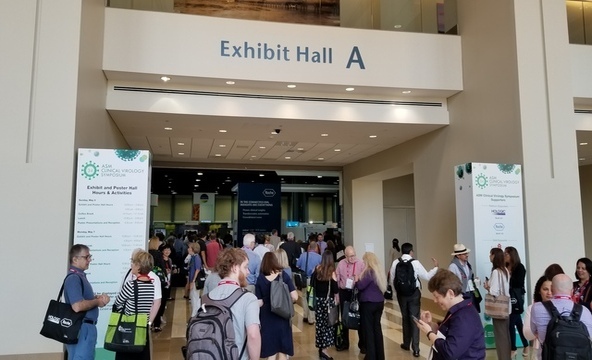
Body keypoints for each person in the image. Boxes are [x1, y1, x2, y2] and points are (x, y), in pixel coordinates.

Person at [416, 269, 486, 360]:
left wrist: (429, 333)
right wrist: (430, 325)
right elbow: (451, 332)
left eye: (437, 297)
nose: (435, 300)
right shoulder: (459, 310)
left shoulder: (464, 317)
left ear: (450, 293)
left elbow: (449, 352)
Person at [208, 248, 261, 360]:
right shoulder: (248, 298)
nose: (248, 272)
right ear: (235, 268)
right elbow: (253, 335)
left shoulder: (205, 299)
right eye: (246, 267)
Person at [389, 242, 438, 357]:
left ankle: (406, 344)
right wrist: (436, 267)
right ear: (411, 251)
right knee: (414, 319)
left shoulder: (396, 263)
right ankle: (416, 348)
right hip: (414, 294)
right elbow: (426, 276)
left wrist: (397, 292)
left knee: (405, 318)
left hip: (401, 295)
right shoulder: (415, 263)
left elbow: (392, 279)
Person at [64, 244, 110, 360]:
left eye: (90, 257)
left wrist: (96, 298)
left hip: (85, 328)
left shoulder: (80, 277)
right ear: (75, 259)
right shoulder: (74, 278)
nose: (89, 260)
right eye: (86, 257)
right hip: (82, 329)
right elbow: (77, 306)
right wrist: (97, 302)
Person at [531, 273, 592, 359]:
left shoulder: (537, 308)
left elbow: (534, 331)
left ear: (552, 289)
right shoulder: (585, 311)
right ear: (572, 291)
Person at [112, 251, 156, 360]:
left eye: (133, 262)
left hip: (128, 328)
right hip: (142, 327)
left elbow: (118, 303)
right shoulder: (151, 286)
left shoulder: (131, 285)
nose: (131, 265)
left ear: (139, 266)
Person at [256, 252, 298, 360]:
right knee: (282, 350)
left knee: (271, 351)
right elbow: (295, 296)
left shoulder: (260, 279)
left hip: (267, 318)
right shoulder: (283, 275)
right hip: (282, 316)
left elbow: (259, 302)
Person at [354, 252, 387, 360]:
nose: (363, 263)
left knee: (368, 330)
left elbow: (360, 286)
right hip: (379, 303)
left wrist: (356, 279)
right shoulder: (379, 272)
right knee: (377, 329)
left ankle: (371, 356)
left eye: (364, 261)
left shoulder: (369, 272)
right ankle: (380, 356)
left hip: (368, 303)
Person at [124, 249, 163, 331]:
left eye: (133, 261)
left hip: (144, 321)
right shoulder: (128, 274)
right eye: (131, 260)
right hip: (128, 321)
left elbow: (157, 302)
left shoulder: (154, 278)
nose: (131, 264)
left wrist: (149, 323)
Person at [335, 245, 365, 352]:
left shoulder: (361, 263)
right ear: (345, 256)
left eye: (354, 255)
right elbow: (337, 279)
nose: (352, 258)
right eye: (350, 256)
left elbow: (365, 278)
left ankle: (362, 345)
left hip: (356, 292)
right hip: (344, 292)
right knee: (345, 317)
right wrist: (336, 295)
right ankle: (344, 343)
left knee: (358, 317)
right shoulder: (341, 264)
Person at [483, 247, 511, 360]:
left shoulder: (495, 272)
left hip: (498, 309)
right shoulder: (505, 270)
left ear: (494, 256)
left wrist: (487, 287)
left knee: (500, 338)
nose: (489, 256)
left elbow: (494, 291)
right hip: (506, 308)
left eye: (490, 254)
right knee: (506, 336)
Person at [312, 250, 339, 360]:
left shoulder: (317, 269)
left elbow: (312, 284)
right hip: (328, 302)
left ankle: (320, 347)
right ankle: (325, 351)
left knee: (319, 325)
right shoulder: (332, 272)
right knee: (328, 325)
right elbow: (335, 289)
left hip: (318, 301)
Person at [504, 246, 528, 358]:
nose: (504, 256)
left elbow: (518, 283)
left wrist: (508, 275)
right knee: (518, 323)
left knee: (511, 323)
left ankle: (513, 348)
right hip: (506, 297)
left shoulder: (520, 267)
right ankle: (526, 345)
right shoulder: (504, 267)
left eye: (506, 254)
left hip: (516, 298)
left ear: (512, 255)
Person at [523, 275, 553, 359]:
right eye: (545, 289)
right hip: (539, 352)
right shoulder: (532, 308)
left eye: (552, 289)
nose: (549, 293)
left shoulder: (563, 309)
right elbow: (527, 334)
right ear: (539, 291)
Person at [447, 243, 480, 312]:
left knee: (473, 312)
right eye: (464, 254)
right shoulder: (453, 266)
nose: (467, 255)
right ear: (458, 255)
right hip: (461, 294)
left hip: (471, 292)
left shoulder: (467, 264)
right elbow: (450, 282)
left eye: (466, 253)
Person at [297, 240, 322, 325]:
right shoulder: (319, 257)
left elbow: (298, 265)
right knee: (312, 297)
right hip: (314, 281)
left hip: (304, 280)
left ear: (309, 247)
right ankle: (311, 318)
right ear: (316, 247)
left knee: (304, 297)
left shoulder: (302, 255)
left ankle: (305, 315)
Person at [187, 242, 203, 317]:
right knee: (193, 296)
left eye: (189, 248)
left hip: (195, 280)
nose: (188, 249)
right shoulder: (193, 257)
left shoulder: (196, 257)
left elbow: (197, 269)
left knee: (194, 297)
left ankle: (195, 313)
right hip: (192, 279)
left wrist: (193, 281)